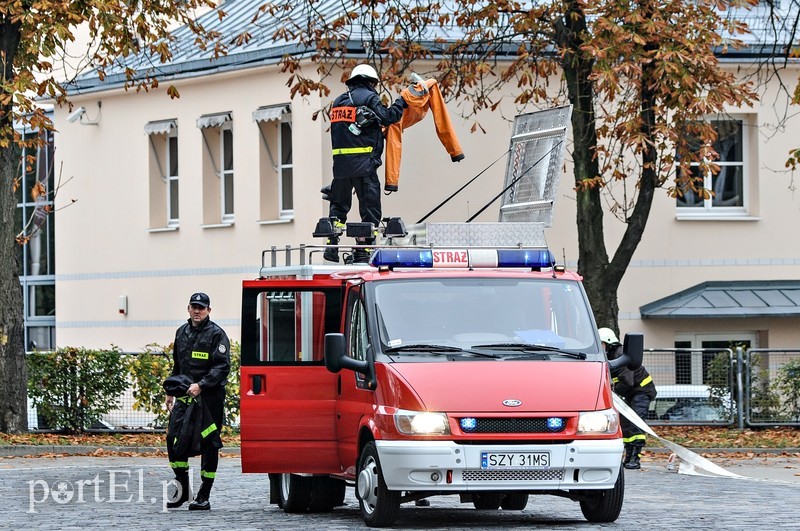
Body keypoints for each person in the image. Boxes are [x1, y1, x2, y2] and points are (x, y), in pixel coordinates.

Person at [324, 63, 407, 264]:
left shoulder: (338, 103)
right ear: (371, 82)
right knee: (370, 209)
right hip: (365, 165)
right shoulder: (369, 98)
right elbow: (389, 117)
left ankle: (331, 245)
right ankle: (364, 248)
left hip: (341, 167)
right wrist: (402, 101)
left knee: (338, 207)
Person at [165, 292, 231, 510]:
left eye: (201, 308)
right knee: (174, 439)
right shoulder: (181, 333)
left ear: (208, 311)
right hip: (184, 397)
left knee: (208, 443)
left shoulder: (216, 335)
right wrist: (170, 390)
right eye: (194, 307)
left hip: (209, 400)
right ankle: (183, 489)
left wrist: (201, 385)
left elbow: (222, 367)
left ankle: (204, 494)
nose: (197, 311)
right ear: (188, 308)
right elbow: (177, 366)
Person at [599, 327, 657, 470]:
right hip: (631, 393)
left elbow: (627, 381)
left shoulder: (620, 356)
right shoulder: (610, 357)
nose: (600, 347)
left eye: (601, 344)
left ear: (609, 343)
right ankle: (628, 457)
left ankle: (635, 459)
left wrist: (613, 391)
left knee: (635, 424)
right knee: (625, 425)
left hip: (642, 391)